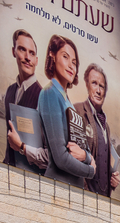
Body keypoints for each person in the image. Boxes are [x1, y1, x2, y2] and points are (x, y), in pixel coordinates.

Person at [37, 35, 95, 187]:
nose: (71, 66)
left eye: (74, 63)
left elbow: (85, 149)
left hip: (74, 189)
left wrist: (86, 157)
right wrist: (90, 170)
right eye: (65, 57)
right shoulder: (50, 93)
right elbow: (60, 158)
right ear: (53, 56)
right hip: (57, 188)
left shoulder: (67, 101)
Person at [4, 29, 52, 172]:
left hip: (31, 178)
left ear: (37, 60)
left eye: (32, 53)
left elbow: (51, 158)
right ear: (14, 52)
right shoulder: (9, 91)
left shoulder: (45, 98)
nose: (27, 57)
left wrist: (21, 147)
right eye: (22, 50)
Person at [74, 64, 119, 197]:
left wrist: (113, 179)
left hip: (104, 200)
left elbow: (103, 161)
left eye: (102, 86)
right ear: (87, 85)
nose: (98, 90)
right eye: (94, 83)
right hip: (85, 197)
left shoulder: (107, 126)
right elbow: (72, 156)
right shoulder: (77, 111)